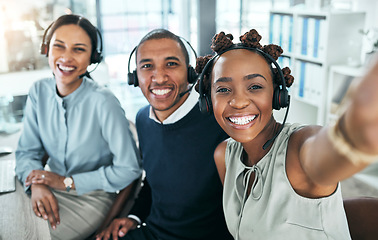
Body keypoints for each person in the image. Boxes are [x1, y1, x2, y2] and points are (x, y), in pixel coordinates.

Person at [195, 29, 378, 240]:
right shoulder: (224, 155)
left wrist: (354, 134)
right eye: (224, 90)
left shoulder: (299, 146)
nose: (238, 101)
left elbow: (326, 154)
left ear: (277, 95)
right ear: (208, 102)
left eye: (254, 86)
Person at [96, 29, 232, 240]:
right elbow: (152, 181)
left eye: (171, 64)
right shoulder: (143, 118)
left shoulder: (218, 120)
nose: (159, 77)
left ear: (190, 73)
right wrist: (133, 216)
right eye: (147, 66)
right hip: (152, 232)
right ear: (135, 77)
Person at [15, 14, 142, 240]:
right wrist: (37, 185)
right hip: (47, 186)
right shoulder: (38, 91)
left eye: (79, 49)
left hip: (90, 197)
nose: (66, 57)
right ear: (47, 49)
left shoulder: (103, 102)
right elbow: (27, 152)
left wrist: (66, 182)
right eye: (59, 47)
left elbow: (129, 169)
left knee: (25, 234)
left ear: (92, 57)